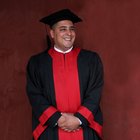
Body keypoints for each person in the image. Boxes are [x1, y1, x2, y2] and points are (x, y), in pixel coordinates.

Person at [26, 9, 104, 140]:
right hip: (50, 131)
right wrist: (57, 119)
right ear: (52, 33)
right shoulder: (37, 63)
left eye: (71, 29)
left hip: (84, 129)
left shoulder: (91, 59)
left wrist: (79, 119)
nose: (69, 33)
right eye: (63, 29)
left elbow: (95, 92)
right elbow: (35, 95)